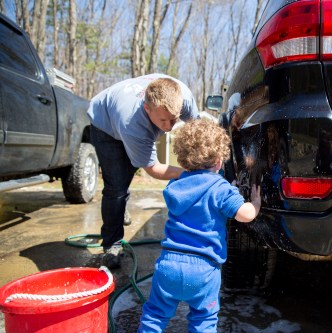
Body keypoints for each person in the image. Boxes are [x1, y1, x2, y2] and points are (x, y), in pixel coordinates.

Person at [137, 119, 261, 333]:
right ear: (219, 161)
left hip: (168, 266)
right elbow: (245, 215)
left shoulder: (175, 185)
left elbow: (197, 191)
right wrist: (256, 202)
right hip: (204, 270)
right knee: (204, 320)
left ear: (184, 162)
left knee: (155, 315)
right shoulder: (221, 189)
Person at [87, 73, 199, 268]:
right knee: (117, 186)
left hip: (125, 114)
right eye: (164, 120)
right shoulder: (133, 123)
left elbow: (200, 131)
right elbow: (153, 168)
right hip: (105, 124)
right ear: (147, 108)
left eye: (174, 119)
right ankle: (112, 243)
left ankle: (120, 211)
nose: (169, 127)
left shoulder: (184, 98)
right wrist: (188, 172)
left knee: (127, 174)